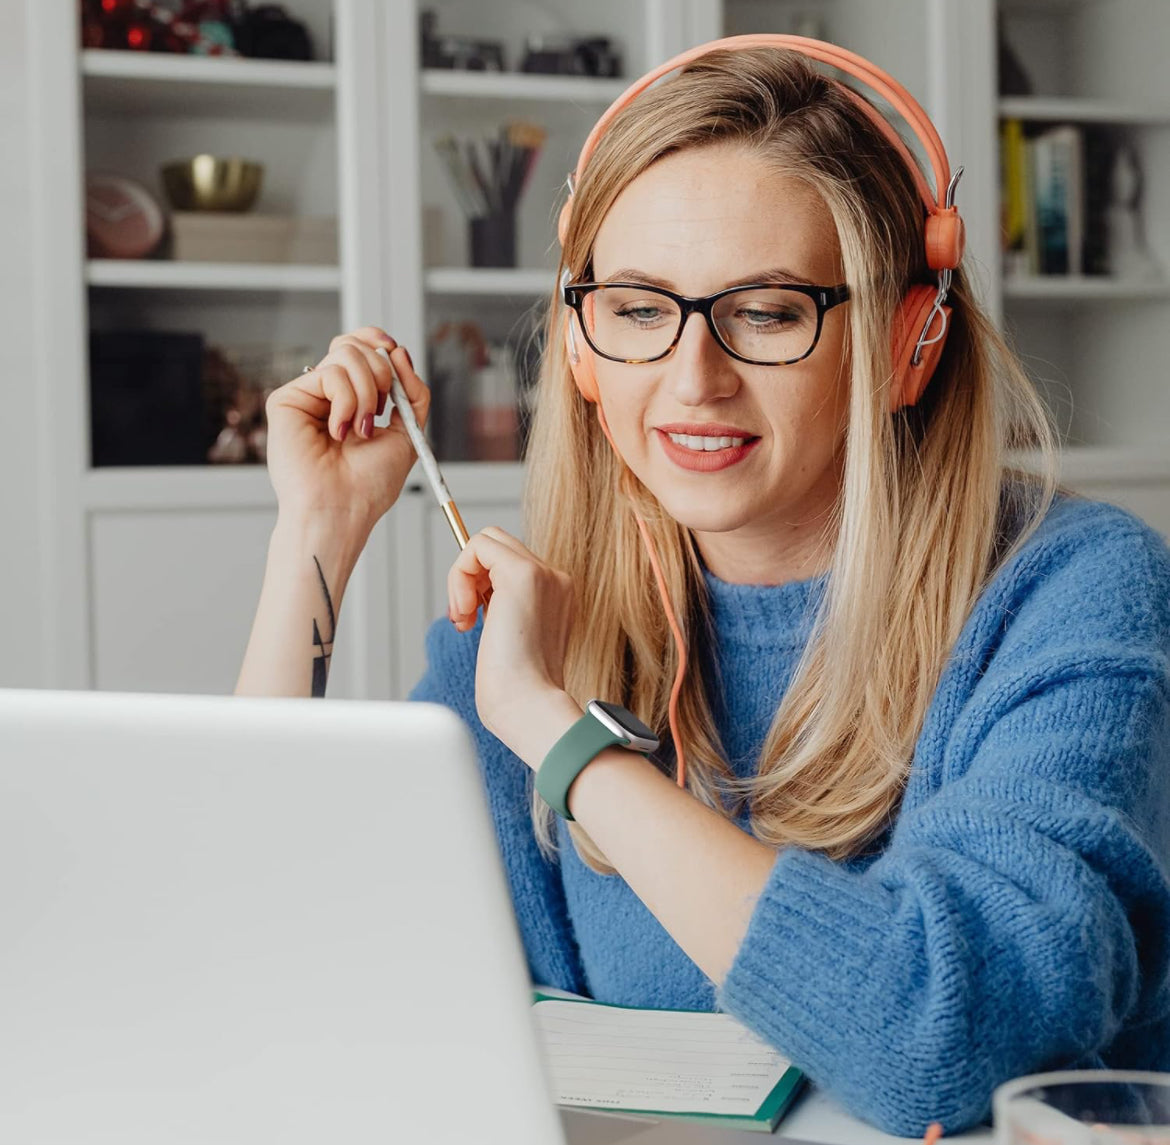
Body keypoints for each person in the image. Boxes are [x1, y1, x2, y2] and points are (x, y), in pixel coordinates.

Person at [237, 37, 1170, 1137]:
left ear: (909, 341)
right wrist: (318, 531)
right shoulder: (528, 632)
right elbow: (267, 963)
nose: (693, 380)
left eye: (769, 312)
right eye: (637, 309)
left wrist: (558, 735)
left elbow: (943, 1040)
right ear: (582, 350)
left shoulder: (1076, 588)